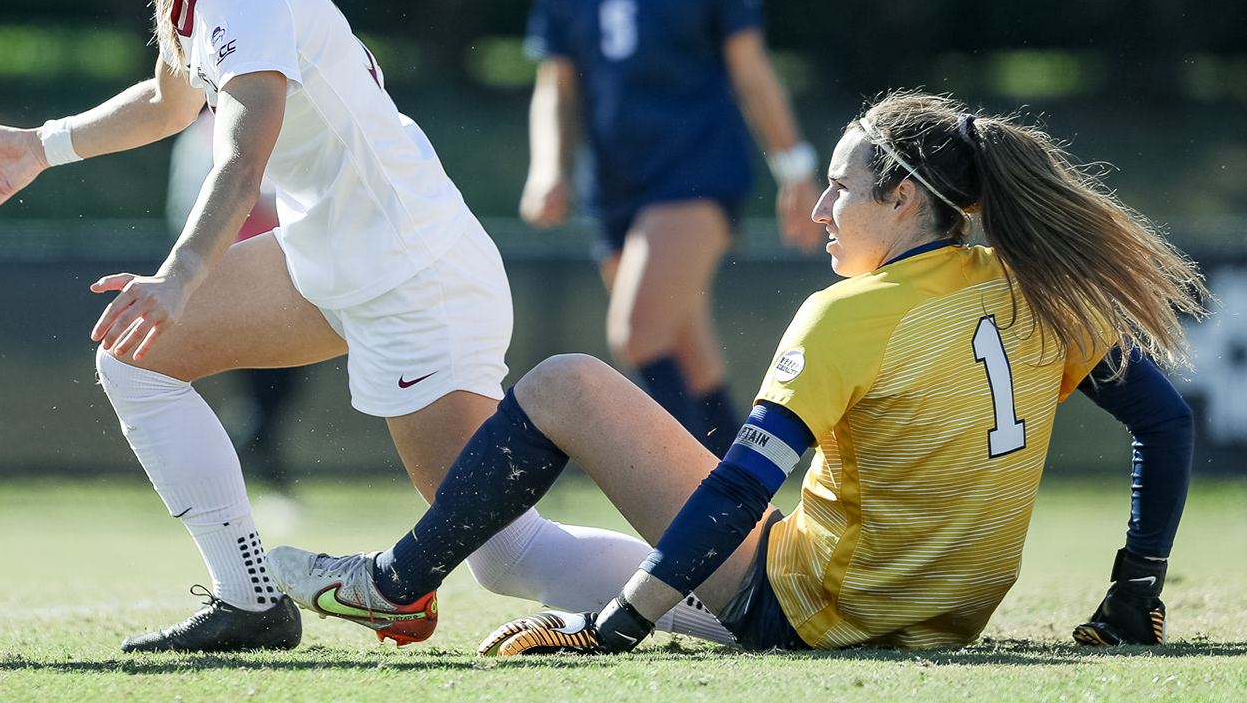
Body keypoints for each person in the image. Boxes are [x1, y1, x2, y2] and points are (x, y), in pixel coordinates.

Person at [0, 0, 732, 653]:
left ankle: (736, 610)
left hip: (413, 274)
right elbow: (172, 99)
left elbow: (242, 157)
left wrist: (178, 277)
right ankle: (250, 601)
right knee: (133, 359)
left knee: (506, 556)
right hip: (334, 257)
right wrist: (41, 145)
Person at [271, 91, 1199, 654]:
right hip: (943, 616)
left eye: (843, 185)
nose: (824, 207)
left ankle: (394, 582)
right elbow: (1166, 425)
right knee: (515, 571)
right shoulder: (1041, 291)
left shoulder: (852, 312)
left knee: (562, 383)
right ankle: (434, 574)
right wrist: (1134, 590)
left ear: (906, 197)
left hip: (803, 610)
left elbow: (738, 488)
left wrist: (617, 628)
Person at [520, 0, 821, 452]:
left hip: (696, 168)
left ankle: (696, 506)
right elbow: (556, 85)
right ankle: (748, 498)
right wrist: (549, 167)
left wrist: (796, 166)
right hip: (616, 183)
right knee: (688, 350)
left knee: (637, 333)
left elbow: (751, 69)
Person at [167, 106, 305, 494]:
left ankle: (246, 464)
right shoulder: (208, 135)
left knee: (276, 390)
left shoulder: (268, 119)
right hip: (242, 269)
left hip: (287, 270)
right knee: (262, 387)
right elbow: (211, 198)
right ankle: (237, 463)